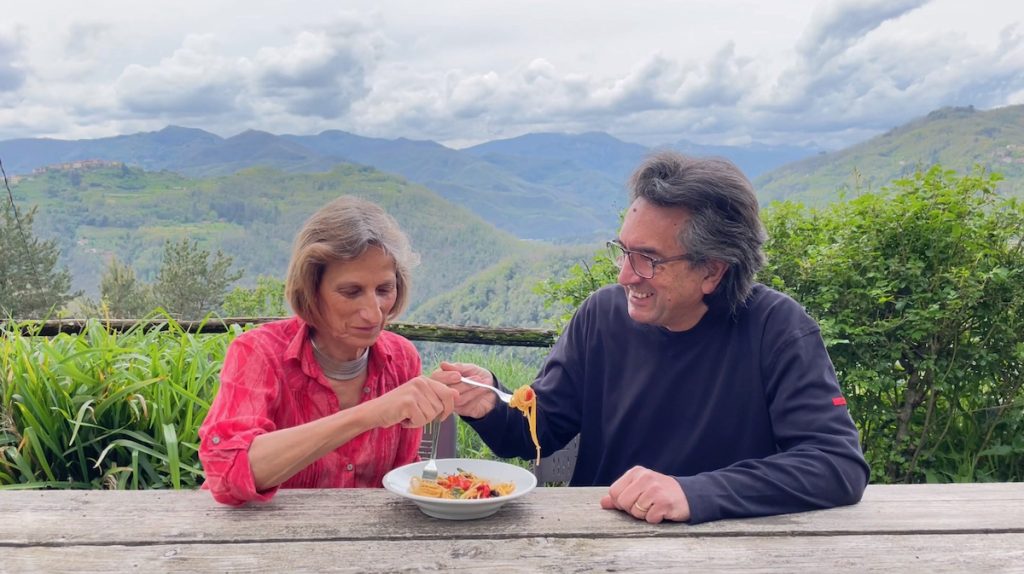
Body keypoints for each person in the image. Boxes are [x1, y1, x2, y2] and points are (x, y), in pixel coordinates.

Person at [435, 150, 870, 524]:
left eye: (649, 260)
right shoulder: (602, 316)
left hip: (729, 548)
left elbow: (836, 464)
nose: (626, 276)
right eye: (625, 251)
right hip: (598, 538)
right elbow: (540, 428)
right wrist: (491, 402)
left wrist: (694, 493)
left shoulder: (776, 328)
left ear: (712, 270)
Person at [199, 196, 457, 505]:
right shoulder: (258, 352)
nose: (374, 314)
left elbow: (400, 483)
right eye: (351, 292)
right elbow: (227, 474)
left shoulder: (401, 358)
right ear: (311, 290)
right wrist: (370, 414)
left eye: (384, 290)